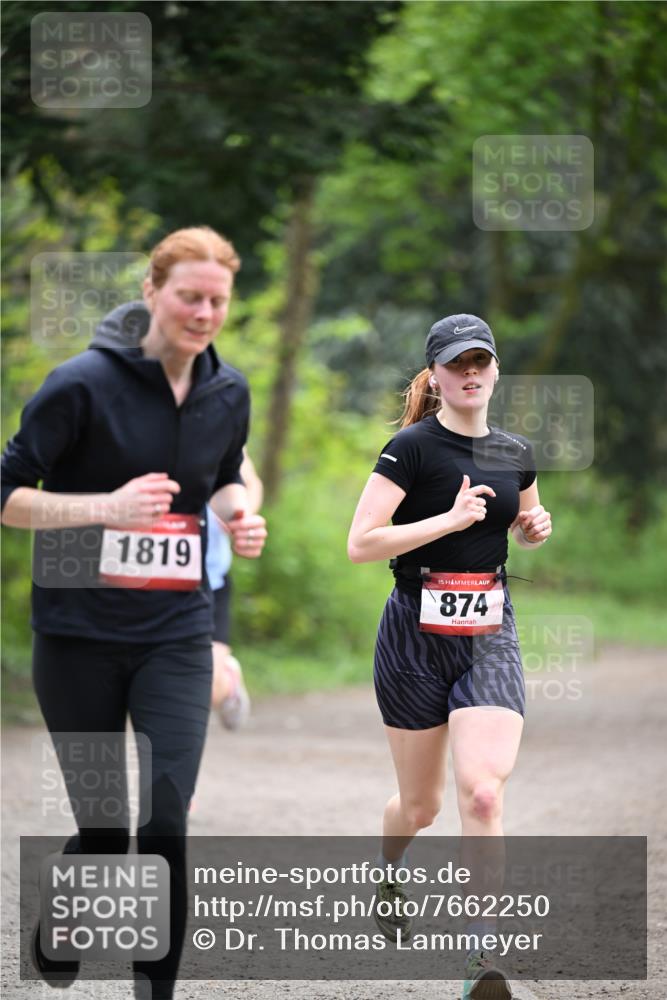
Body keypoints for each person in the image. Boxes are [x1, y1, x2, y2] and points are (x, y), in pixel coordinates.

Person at [1, 226, 267, 999]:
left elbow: (218, 477)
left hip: (177, 634)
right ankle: (63, 921)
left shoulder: (229, 391)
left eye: (217, 299)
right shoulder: (79, 384)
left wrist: (237, 510)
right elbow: (8, 496)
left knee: (163, 822)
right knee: (107, 827)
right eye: (189, 295)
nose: (204, 312)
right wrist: (104, 509)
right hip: (76, 636)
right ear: (151, 292)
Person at [347, 314, 552, 1000]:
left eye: (480, 361)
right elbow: (362, 542)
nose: (469, 372)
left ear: (494, 371)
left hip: (488, 629)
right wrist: (446, 521)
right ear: (433, 376)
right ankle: (389, 867)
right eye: (455, 363)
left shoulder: (515, 450)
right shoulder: (410, 449)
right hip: (412, 632)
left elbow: (521, 522)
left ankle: (479, 958)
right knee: (419, 806)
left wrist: (531, 528)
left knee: (484, 792)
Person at [208, 450, 264, 729]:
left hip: (209, 579)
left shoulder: (212, 416)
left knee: (206, 688)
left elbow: (251, 483)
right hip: (138, 580)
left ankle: (227, 681)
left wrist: (242, 516)